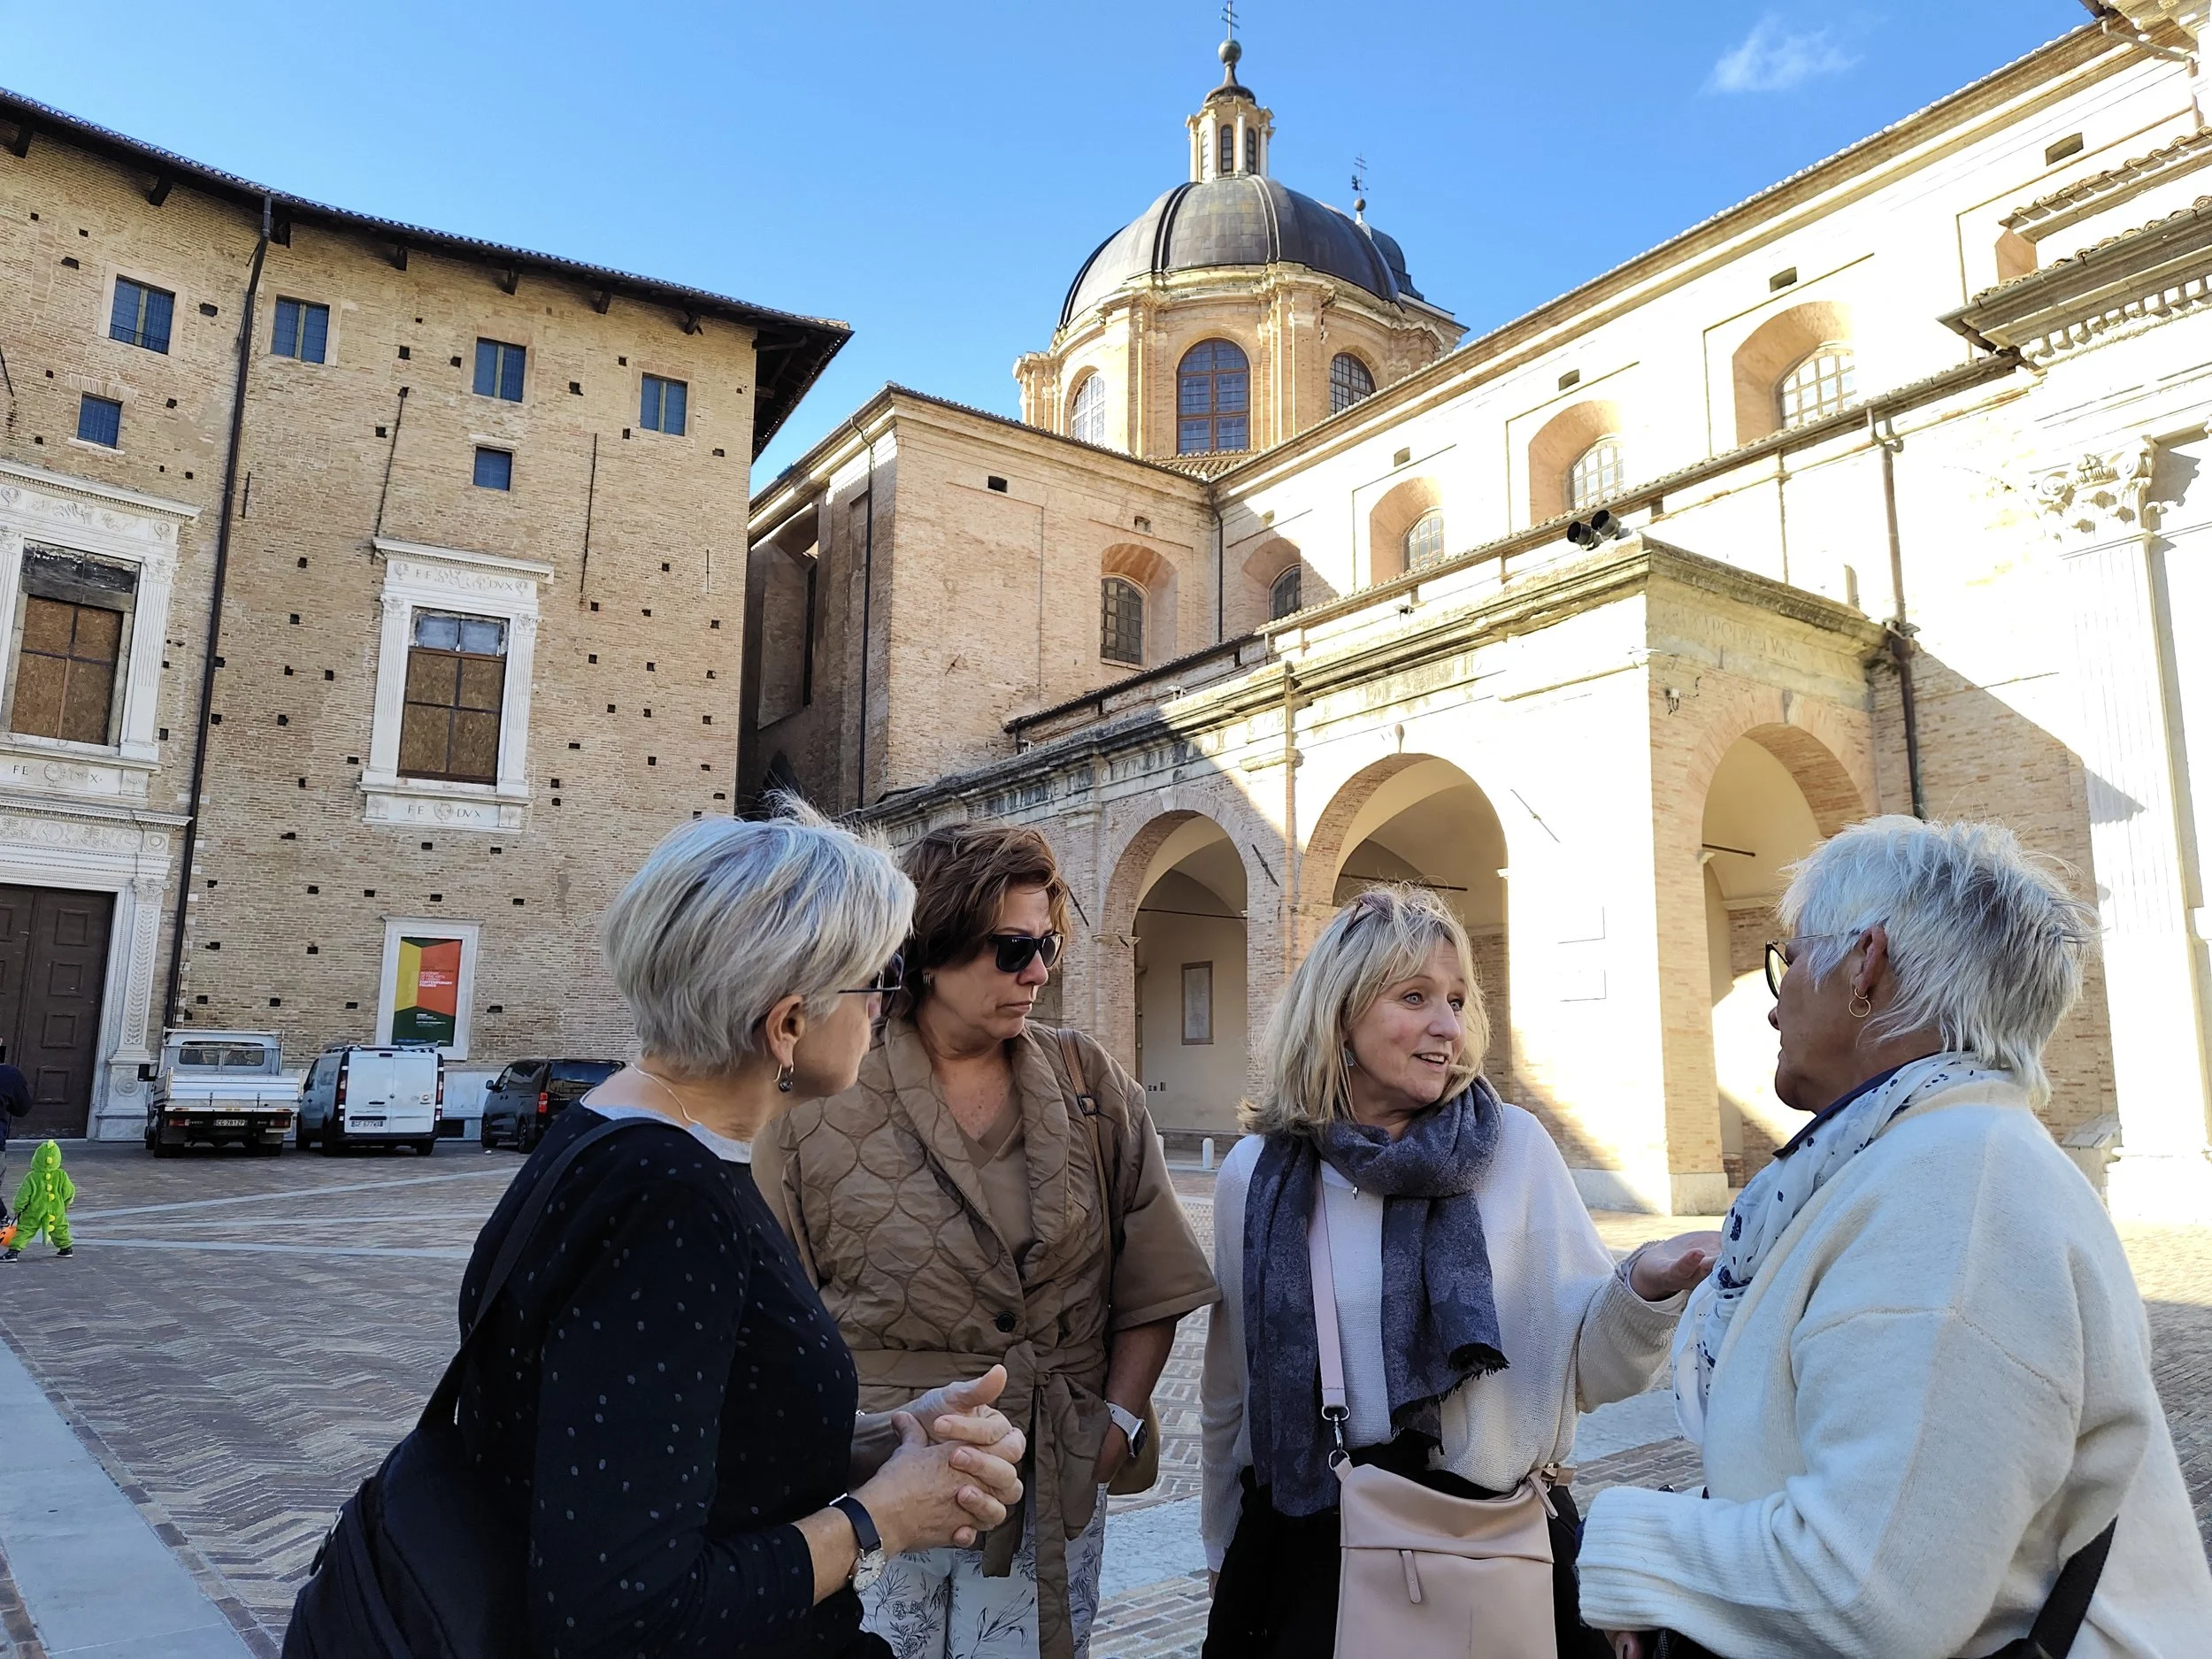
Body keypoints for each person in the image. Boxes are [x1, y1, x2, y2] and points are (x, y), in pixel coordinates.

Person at [1580, 817, 2212, 1658]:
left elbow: (1870, 1590)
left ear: (1865, 963)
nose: (1773, 1003)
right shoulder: (1938, 1156)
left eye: (1789, 961)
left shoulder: (1955, 1192)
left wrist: (1626, 1545)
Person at [453, 810, 1029, 1659]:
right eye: (878, 979)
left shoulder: (613, 1134)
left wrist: (887, 1437)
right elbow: (625, 1613)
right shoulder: (667, 1199)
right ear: (788, 1024)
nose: (886, 1006)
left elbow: (668, 1448)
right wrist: (883, 1518)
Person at [1201, 884, 1718, 1659]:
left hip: (1492, 1548)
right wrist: (1221, 1545)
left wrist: (1643, 1287)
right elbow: (1231, 1394)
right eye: (1414, 997)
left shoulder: (1515, 1149)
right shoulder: (1258, 1174)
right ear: (1339, 1014)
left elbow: (1588, 1371)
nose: (1448, 1026)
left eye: (1456, 998)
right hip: (1307, 1554)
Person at [756, 822, 1218, 1659]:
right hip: (873, 1482)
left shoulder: (1089, 1082)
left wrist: (1113, 1426)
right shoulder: (822, 1092)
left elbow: (1154, 1277)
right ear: (933, 950)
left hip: (1051, 1472)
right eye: (1012, 949)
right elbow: (767, 1320)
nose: (1038, 972)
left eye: (1047, 946)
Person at [5, 1140, 74, 1261]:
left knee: (26, 1229)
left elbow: (23, 1194)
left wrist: (18, 1208)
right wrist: (65, 1203)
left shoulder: (32, 1177)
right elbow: (69, 1191)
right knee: (59, 1228)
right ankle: (66, 1248)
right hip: (56, 1209)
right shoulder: (61, 1175)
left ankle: (13, 1252)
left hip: (35, 1209)